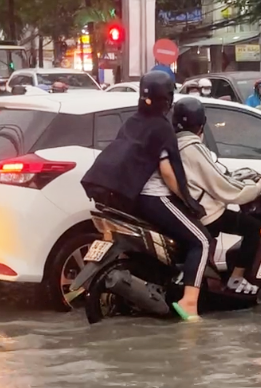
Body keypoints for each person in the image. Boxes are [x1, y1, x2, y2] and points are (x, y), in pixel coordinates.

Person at [80, 70, 208, 320]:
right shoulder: (162, 127)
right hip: (155, 199)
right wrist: (187, 200)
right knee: (201, 241)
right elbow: (169, 173)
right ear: (168, 97)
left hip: (129, 199)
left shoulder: (133, 121)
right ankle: (190, 302)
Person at [171, 97, 261, 295]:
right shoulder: (193, 148)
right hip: (206, 212)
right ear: (201, 124)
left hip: (184, 210)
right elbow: (222, 187)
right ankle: (236, 278)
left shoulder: (174, 143)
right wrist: (255, 187)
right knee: (254, 228)